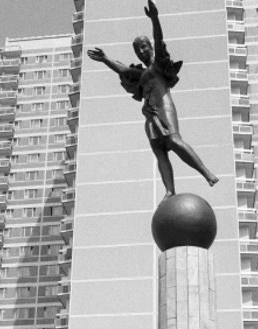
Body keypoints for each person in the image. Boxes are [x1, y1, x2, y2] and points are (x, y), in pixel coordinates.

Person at [87, 0, 219, 199]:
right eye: (137, 50)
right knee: (159, 151)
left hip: (164, 107)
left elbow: (159, 39)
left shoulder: (158, 65)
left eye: (143, 47)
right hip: (150, 115)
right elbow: (124, 70)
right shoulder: (141, 74)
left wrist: (155, 19)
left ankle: (207, 173)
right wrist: (105, 59)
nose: (141, 52)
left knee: (174, 140)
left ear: (149, 47)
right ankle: (169, 191)